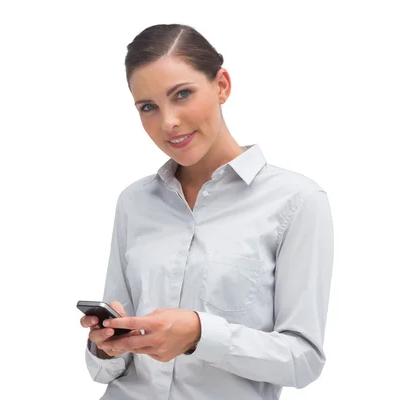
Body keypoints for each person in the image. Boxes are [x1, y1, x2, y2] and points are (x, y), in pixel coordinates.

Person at [79, 23, 334, 400]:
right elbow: (106, 369)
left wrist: (201, 334)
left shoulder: (296, 201)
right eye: (148, 107)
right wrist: (105, 345)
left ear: (222, 85)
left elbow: (303, 360)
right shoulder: (134, 202)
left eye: (182, 94)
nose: (168, 122)